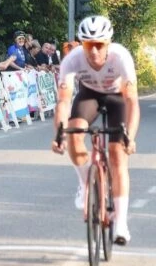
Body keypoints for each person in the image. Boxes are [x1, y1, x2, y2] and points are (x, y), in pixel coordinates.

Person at [51, 15, 140, 246]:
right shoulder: (72, 59)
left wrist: (130, 135)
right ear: (82, 44)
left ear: (108, 43)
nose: (93, 51)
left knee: (117, 154)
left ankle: (121, 223)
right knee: (74, 131)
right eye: (88, 45)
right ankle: (84, 183)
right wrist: (59, 133)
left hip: (116, 96)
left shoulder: (121, 57)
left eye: (99, 45)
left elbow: (132, 102)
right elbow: (63, 102)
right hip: (88, 93)